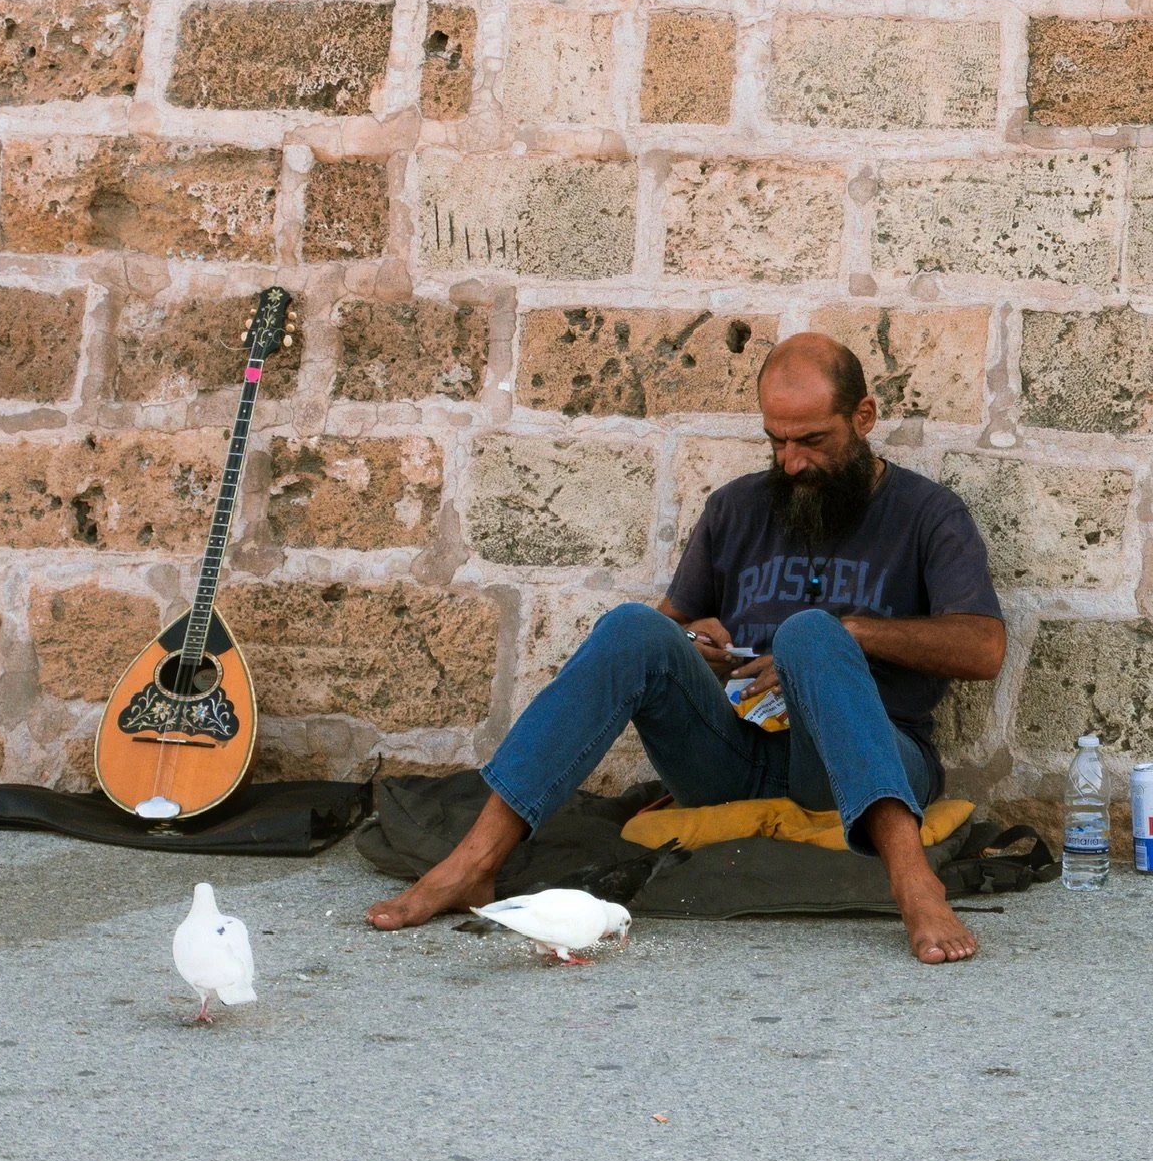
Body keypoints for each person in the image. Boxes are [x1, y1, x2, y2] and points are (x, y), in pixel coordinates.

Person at [367, 331, 1007, 963]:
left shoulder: (928, 513)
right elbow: (667, 631)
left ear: (863, 417)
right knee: (631, 627)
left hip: (863, 760)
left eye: (813, 440)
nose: (792, 462)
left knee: (811, 631)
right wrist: (691, 640)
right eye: (776, 441)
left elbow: (984, 649)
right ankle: (474, 863)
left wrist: (852, 632)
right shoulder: (736, 508)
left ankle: (913, 882)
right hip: (733, 751)